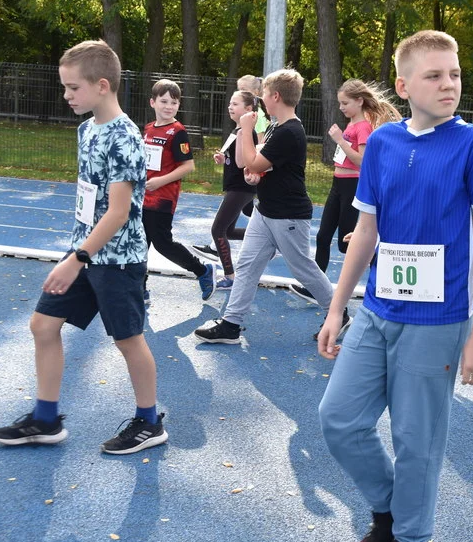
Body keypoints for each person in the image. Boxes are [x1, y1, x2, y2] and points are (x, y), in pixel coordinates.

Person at [316, 30, 473, 542]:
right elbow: (366, 231)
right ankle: (389, 517)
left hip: (439, 320)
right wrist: (336, 308)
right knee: (339, 419)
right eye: (434, 75)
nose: (448, 84)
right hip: (376, 311)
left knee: (417, 440)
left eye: (454, 74)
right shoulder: (382, 144)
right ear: (403, 85)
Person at [0, 40, 167, 454]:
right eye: (65, 87)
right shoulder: (87, 129)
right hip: (85, 252)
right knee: (43, 325)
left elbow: (119, 212)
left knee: (128, 339)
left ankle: (150, 421)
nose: (66, 96)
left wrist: (77, 258)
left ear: (102, 85)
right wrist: (78, 253)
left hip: (117, 259)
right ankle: (46, 420)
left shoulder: (125, 138)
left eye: (73, 88)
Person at [193, 69, 342, 344]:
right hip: (265, 211)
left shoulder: (290, 131)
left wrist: (247, 132)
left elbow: (252, 160)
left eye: (263, 95)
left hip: (288, 214)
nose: (260, 100)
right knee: (248, 265)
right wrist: (254, 168)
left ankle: (338, 314)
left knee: (303, 268)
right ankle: (230, 324)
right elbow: (250, 165)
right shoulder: (275, 127)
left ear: (275, 96)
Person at [289, 79, 401, 303]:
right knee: (322, 237)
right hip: (337, 185)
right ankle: (316, 289)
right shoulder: (351, 124)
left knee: (345, 243)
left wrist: (340, 141)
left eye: (345, 103)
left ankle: (383, 278)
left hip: (351, 187)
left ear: (359, 101)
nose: (341, 107)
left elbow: (363, 161)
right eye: (340, 103)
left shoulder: (363, 127)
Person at [140, 78, 217, 303]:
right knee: (138, 243)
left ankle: (202, 270)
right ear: (152, 102)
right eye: (163, 101)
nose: (168, 106)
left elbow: (188, 166)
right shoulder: (148, 129)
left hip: (162, 198)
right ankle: (140, 287)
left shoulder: (177, 132)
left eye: (173, 102)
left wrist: (160, 181)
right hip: (142, 197)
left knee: (162, 243)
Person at [192, 75, 269, 271]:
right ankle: (268, 240)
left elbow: (243, 162)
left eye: (235, 104)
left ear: (248, 109)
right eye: (230, 103)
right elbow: (232, 157)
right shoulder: (236, 130)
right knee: (230, 231)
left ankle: (229, 274)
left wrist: (242, 138)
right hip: (235, 185)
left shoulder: (245, 131)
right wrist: (222, 157)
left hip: (241, 187)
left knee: (217, 230)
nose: (230, 107)